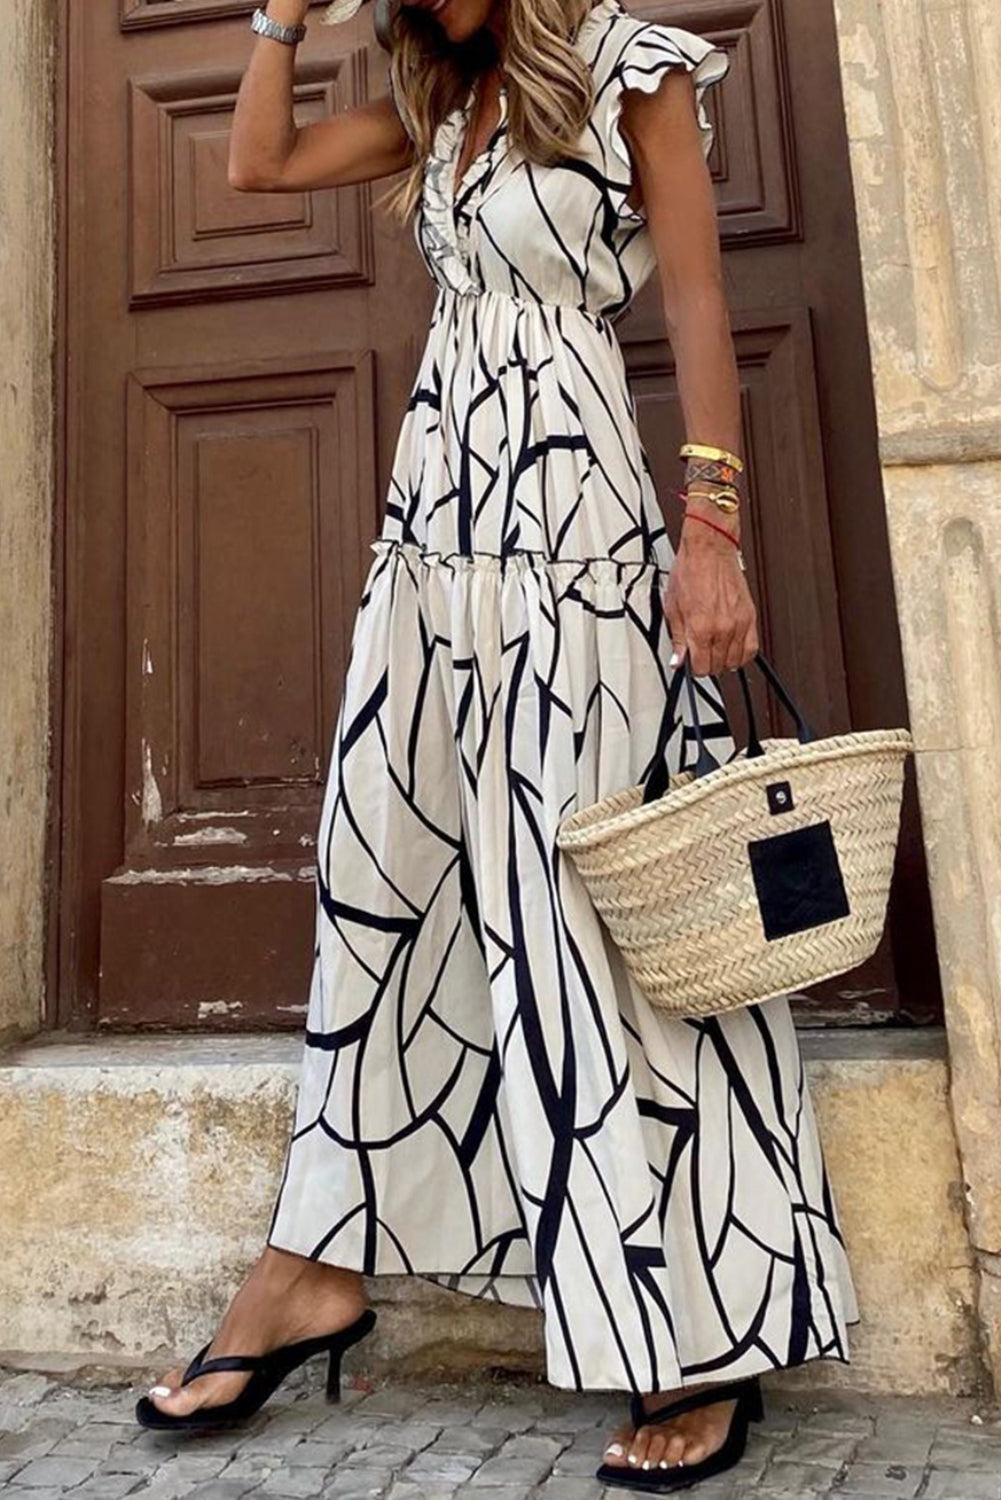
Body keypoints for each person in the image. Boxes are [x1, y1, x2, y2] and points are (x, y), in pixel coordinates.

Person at [136, 0, 859, 1488]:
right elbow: (257, 163)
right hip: (433, 532)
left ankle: (696, 1321)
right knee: (382, 878)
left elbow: (698, 301)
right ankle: (310, 1269)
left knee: (591, 905)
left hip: (573, 532)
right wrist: (279, 18)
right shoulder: (434, 104)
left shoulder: (629, 69)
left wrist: (711, 531)